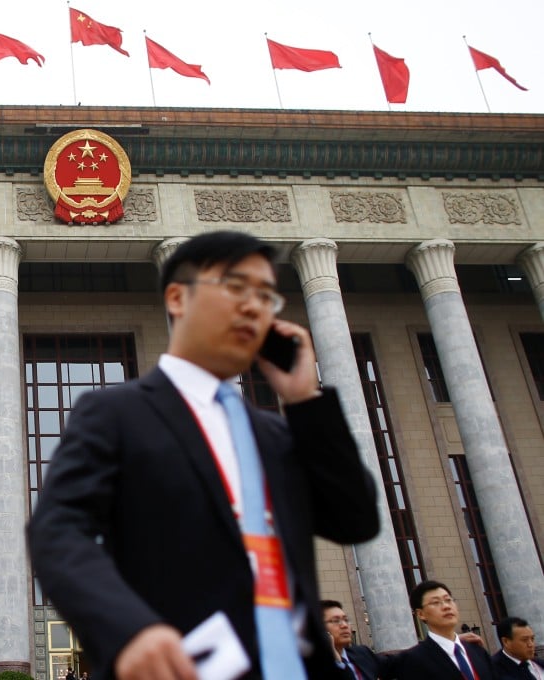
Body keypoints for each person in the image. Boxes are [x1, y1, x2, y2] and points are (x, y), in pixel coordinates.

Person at [27, 230, 379, 680]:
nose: (254, 306)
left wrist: (307, 401)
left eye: (267, 296)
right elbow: (58, 531)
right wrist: (129, 630)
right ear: (177, 298)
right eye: (236, 287)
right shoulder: (118, 413)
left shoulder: (277, 434)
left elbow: (355, 519)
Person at [386, 580, 494, 680]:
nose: (446, 606)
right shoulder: (414, 660)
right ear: (420, 614)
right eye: (436, 603)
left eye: (448, 600)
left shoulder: (477, 651)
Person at [322, 600, 381, 680]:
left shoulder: (361, 653)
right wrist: (338, 664)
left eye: (346, 620)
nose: (344, 625)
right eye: (336, 621)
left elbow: (396, 661)